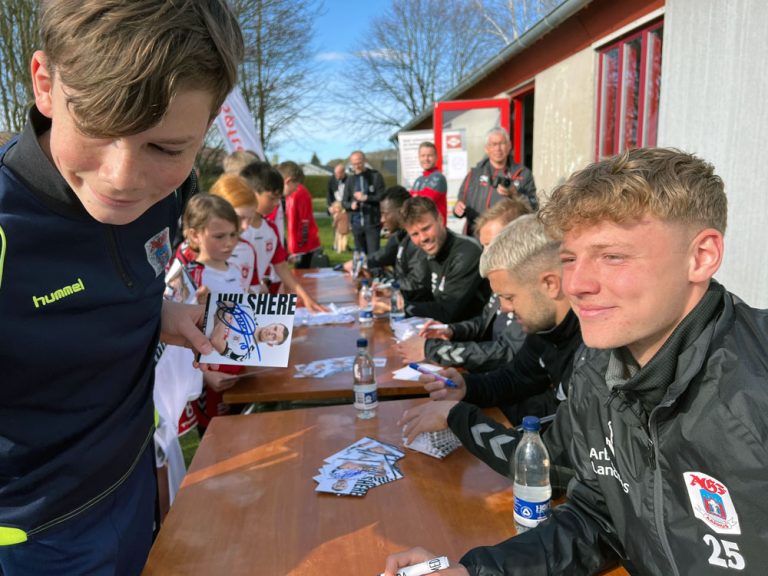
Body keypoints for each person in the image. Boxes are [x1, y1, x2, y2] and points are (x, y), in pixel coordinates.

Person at [385, 148, 768, 576]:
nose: (578, 284)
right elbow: (597, 519)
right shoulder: (597, 372)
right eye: (570, 259)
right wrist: (475, 572)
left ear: (701, 257)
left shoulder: (756, 378)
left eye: (612, 256)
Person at [0, 1, 243, 574]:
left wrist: (159, 312)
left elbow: (103, 285)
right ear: (45, 84)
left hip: (136, 484)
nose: (123, 180)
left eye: (166, 147)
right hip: (34, 536)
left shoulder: (171, 194)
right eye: (99, 129)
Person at [399, 213, 579, 448]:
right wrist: (467, 387)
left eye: (509, 297)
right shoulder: (545, 328)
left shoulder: (593, 348)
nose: (504, 308)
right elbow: (516, 377)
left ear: (550, 284)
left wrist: (457, 417)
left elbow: (557, 447)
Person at [397, 197, 531, 372]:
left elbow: (507, 352)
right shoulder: (503, 276)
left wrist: (432, 350)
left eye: (492, 246)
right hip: (492, 376)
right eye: (485, 247)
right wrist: (450, 330)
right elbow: (484, 321)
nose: (484, 257)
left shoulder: (532, 286)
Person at [210, 171, 327, 312]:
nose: (277, 203)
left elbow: (270, 273)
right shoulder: (199, 247)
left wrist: (304, 297)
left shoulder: (252, 244)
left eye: (249, 218)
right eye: (272, 198)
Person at [400, 196, 491, 323]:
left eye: (426, 228)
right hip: (441, 331)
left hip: (470, 337)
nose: (423, 238)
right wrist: (393, 294)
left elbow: (447, 311)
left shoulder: (466, 252)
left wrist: (399, 306)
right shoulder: (426, 250)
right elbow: (421, 291)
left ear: (441, 219)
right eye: (415, 234)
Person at [453, 127, 536, 235]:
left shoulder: (523, 174)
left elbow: (534, 206)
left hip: (509, 237)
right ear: (487, 149)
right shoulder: (473, 175)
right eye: (493, 144)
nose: (498, 149)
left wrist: (515, 194)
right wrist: (457, 210)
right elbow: (460, 204)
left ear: (509, 146)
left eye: (502, 143)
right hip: (478, 238)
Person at [277, 161, 322, 269]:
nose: (296, 189)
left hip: (303, 244)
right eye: (296, 186)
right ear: (288, 181)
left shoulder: (299, 193)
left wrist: (298, 246)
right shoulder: (292, 194)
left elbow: (303, 221)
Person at [342, 150, 386, 254]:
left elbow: (382, 196)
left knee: (374, 255)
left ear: (365, 160)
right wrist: (351, 205)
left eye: (359, 162)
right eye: (354, 164)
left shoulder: (375, 176)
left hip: (372, 222)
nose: (357, 166)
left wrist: (366, 198)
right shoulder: (350, 180)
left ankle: (374, 270)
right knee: (360, 256)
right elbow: (344, 202)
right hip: (356, 224)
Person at [410, 141, 448, 224]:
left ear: (436, 157)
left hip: (436, 229)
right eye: (423, 156)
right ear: (419, 157)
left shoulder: (438, 177)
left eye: (429, 156)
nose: (426, 159)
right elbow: (409, 202)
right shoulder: (418, 180)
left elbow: (424, 202)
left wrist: (415, 196)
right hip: (420, 227)